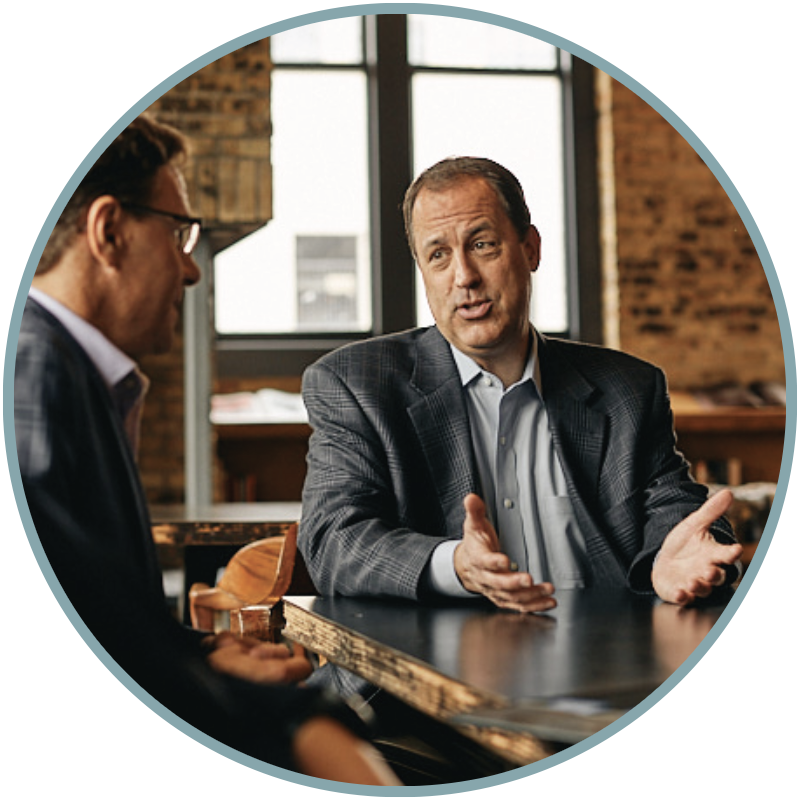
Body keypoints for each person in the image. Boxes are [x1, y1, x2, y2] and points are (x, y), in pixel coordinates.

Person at [14, 113, 400, 786]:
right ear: (109, 231)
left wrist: (201, 652)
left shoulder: (69, 371)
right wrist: (296, 719)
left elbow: (96, 615)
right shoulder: (37, 377)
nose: (191, 270)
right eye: (179, 234)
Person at [298, 156, 743, 614]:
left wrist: (678, 555)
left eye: (483, 245)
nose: (464, 277)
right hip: (438, 654)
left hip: (605, 651)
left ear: (530, 249)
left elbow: (675, 510)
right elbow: (333, 540)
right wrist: (455, 566)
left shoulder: (628, 388)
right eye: (438, 255)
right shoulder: (357, 386)